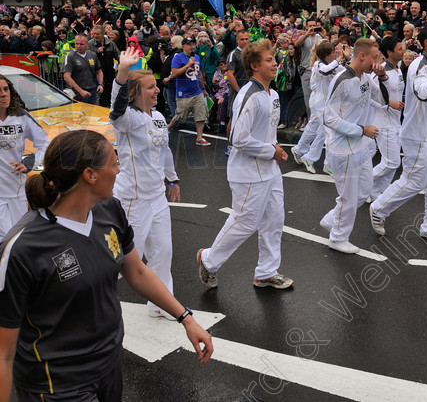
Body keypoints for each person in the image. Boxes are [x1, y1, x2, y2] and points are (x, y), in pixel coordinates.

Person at [0, 130, 212, 402]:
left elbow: (136, 271)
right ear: (90, 175)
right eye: (114, 163)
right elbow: (4, 354)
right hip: (57, 384)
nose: (120, 170)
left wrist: (186, 318)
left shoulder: (109, 209)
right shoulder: (21, 248)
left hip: (109, 367)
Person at [197, 40, 293, 290]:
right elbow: (237, 138)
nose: (275, 63)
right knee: (245, 222)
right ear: (254, 65)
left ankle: (266, 272)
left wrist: (272, 153)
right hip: (248, 172)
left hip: (269, 170)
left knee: (274, 219)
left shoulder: (271, 93)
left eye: (274, 59)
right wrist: (271, 151)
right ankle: (208, 260)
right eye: (269, 60)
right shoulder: (248, 95)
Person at [369, 26, 427, 239]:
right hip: (418, 134)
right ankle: (379, 208)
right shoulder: (419, 64)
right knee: (414, 181)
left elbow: (422, 98)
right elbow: (421, 93)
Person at [110, 50, 181, 319]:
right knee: (124, 261)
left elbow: (164, 151)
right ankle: (91, 301)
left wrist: (172, 178)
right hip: (132, 201)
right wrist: (122, 74)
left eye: (156, 86)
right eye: (150, 87)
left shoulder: (159, 118)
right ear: (135, 92)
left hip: (157, 199)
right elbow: (115, 110)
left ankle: (162, 304)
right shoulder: (127, 119)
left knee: (163, 253)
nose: (157, 91)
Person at [320, 39, 385, 254]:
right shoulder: (342, 79)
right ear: (362, 56)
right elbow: (329, 118)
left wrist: (382, 75)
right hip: (343, 147)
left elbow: (381, 98)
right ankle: (338, 238)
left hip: (362, 145)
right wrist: (361, 129)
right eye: (374, 57)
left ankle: (332, 219)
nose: (377, 61)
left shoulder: (366, 77)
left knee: (364, 191)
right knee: (348, 196)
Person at [0, 76, 48, 238]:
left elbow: (45, 144)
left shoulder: (22, 117)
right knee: (4, 237)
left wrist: (29, 162)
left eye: (5, 89)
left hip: (17, 190)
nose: (3, 94)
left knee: (20, 237)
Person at [291, 40, 346, 175]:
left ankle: (308, 156)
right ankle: (313, 158)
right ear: (328, 54)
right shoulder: (318, 65)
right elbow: (326, 71)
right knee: (323, 132)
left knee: (322, 132)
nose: (336, 54)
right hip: (319, 103)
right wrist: (339, 58)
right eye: (334, 52)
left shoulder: (332, 65)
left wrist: (347, 57)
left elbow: (344, 71)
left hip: (327, 104)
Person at [370, 36, 406, 200]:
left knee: (391, 162)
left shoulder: (398, 70)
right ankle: (361, 182)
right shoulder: (379, 71)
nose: (403, 50)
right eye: (400, 48)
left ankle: (375, 191)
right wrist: (388, 103)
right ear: (390, 52)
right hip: (383, 123)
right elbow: (368, 97)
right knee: (392, 163)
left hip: (396, 122)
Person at [167, 37, 211, 146]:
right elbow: (174, 73)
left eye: (192, 44)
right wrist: (187, 65)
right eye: (189, 44)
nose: (192, 46)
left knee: (201, 113)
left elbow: (199, 73)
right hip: (184, 92)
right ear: (183, 47)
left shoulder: (196, 57)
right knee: (180, 116)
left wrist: (203, 88)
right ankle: (168, 127)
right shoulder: (178, 58)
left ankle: (199, 138)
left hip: (197, 91)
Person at [62, 34, 104, 105]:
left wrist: (100, 84)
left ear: (87, 44)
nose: (78, 46)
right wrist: (80, 91)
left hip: (93, 92)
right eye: (77, 44)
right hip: (77, 94)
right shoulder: (70, 56)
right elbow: (66, 77)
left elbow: (99, 71)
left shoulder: (92, 55)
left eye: (81, 44)